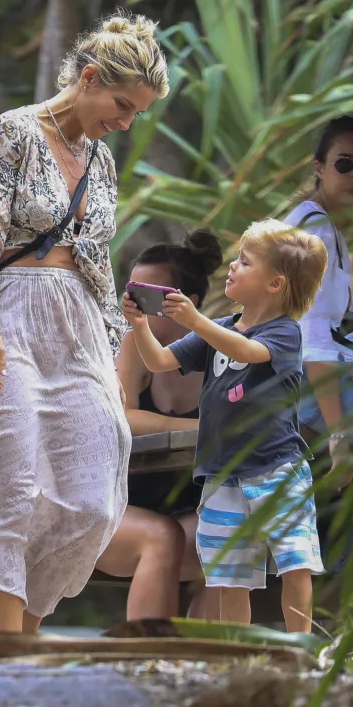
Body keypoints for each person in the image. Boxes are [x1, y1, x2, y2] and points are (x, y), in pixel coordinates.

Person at [0, 13, 170, 650]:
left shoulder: (98, 159)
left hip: (74, 327)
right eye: (121, 104)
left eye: (138, 113)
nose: (126, 122)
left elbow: (97, 258)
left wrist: (108, 343)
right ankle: (8, 649)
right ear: (89, 77)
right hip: (9, 315)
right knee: (12, 482)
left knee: (90, 492)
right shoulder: (15, 132)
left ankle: (10, 625)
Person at [125, 219, 328, 632]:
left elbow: (251, 353)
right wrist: (142, 327)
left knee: (295, 562)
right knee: (229, 575)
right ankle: (237, 653)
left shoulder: (284, 332)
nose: (232, 267)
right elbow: (161, 361)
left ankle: (302, 645)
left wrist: (198, 321)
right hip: (223, 475)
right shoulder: (220, 327)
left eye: (245, 262)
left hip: (277, 470)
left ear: (275, 284)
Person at [96, 230, 223, 620]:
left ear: (188, 303)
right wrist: (193, 428)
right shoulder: (134, 342)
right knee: (161, 539)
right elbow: (124, 417)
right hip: (129, 506)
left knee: (228, 538)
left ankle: (205, 665)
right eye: (131, 295)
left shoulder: (221, 348)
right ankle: (152, 658)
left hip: (191, 509)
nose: (136, 307)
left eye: (148, 297)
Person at [283, 115, 353, 479]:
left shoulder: (324, 226)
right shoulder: (315, 234)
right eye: (345, 164)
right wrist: (339, 435)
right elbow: (314, 340)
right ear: (319, 168)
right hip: (301, 395)